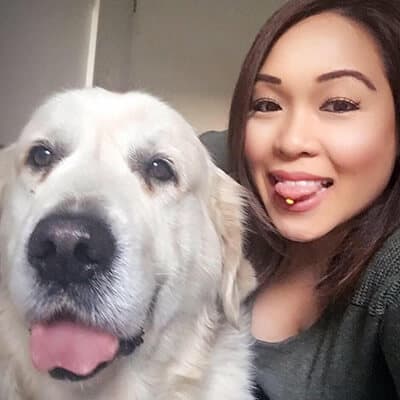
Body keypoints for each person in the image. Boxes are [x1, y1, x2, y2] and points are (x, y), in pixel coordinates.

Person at [201, 0, 400, 398]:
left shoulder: (390, 277)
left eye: (339, 104)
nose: (290, 141)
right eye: (266, 105)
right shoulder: (217, 180)